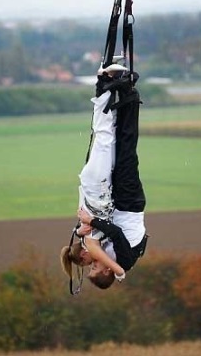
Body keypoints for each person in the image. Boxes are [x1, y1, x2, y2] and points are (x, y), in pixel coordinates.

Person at [77, 67, 148, 290]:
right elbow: (116, 232)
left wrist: (82, 230)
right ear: (107, 270)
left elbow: (97, 235)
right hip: (130, 202)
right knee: (126, 149)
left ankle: (120, 89)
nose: (94, 265)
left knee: (116, 147)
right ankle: (130, 94)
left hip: (117, 202)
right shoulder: (124, 261)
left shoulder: (111, 259)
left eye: (91, 267)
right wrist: (91, 222)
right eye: (95, 269)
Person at [60, 81, 125, 284]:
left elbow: (113, 264)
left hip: (96, 183)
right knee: (108, 138)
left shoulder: (89, 241)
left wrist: (119, 273)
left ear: (83, 255)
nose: (94, 261)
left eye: (90, 263)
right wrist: (77, 231)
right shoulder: (86, 235)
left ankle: (103, 88)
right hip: (97, 184)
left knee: (103, 137)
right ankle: (109, 91)